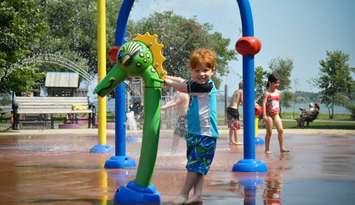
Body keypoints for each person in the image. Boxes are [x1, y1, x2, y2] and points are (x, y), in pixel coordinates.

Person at [164, 48, 219, 205]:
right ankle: (198, 195)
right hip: (195, 132)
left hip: (206, 134)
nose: (202, 74)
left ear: (212, 71)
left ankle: (183, 195)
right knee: (198, 165)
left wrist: (164, 80)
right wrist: (164, 75)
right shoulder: (196, 84)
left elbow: (182, 86)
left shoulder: (206, 87)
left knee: (194, 166)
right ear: (192, 71)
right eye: (197, 70)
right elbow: (182, 81)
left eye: (205, 70)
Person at [262, 74, 289, 154]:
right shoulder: (267, 93)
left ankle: (282, 148)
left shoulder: (278, 92)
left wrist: (279, 113)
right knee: (269, 132)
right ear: (270, 82)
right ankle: (267, 149)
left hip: (276, 114)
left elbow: (277, 103)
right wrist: (264, 116)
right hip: (268, 115)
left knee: (281, 130)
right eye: (276, 83)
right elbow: (263, 104)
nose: (277, 85)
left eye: (278, 83)